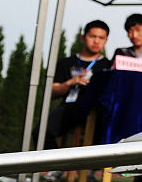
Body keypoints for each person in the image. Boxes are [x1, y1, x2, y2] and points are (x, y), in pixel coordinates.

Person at [46, 20, 112, 150]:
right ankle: (54, 168)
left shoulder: (108, 66)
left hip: (96, 110)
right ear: (83, 37)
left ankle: (96, 169)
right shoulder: (66, 62)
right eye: (92, 36)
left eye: (101, 38)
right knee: (42, 131)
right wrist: (70, 82)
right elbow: (51, 93)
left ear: (106, 40)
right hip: (69, 107)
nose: (96, 41)